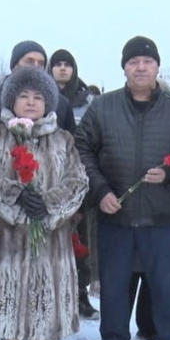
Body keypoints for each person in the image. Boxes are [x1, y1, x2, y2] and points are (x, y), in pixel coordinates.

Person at [76, 36, 170, 340]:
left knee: (165, 287)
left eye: (147, 61)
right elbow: (82, 151)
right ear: (124, 68)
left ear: (157, 67)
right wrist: (100, 189)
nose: (141, 67)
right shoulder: (102, 107)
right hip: (115, 214)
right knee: (114, 287)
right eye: (133, 62)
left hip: (162, 216)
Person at [0, 66, 88, 340]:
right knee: (6, 298)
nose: (31, 102)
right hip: (3, 240)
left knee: (42, 301)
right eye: (24, 96)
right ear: (12, 101)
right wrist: (15, 200)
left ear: (48, 103)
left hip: (47, 239)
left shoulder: (62, 139)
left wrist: (47, 206)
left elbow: (77, 182)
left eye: (38, 97)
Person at [48, 48, 99, 320]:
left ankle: (81, 295)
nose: (62, 69)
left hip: (77, 181)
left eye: (67, 64)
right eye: (57, 64)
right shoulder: (39, 95)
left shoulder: (86, 101)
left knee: (80, 241)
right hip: (45, 181)